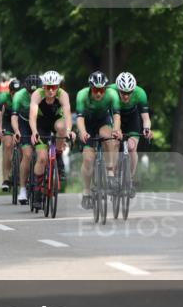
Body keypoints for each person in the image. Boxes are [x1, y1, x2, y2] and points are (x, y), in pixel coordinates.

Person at [75, 71, 122, 210]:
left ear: (105, 89)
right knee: (88, 159)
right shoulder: (82, 95)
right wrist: (83, 132)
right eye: (96, 90)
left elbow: (117, 116)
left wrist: (116, 130)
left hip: (103, 121)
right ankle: (87, 191)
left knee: (108, 137)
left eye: (102, 90)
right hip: (87, 124)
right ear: (91, 88)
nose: (99, 94)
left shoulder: (112, 95)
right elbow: (79, 118)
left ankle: (110, 172)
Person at [28, 70, 74, 205]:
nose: (51, 90)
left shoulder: (63, 95)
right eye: (48, 87)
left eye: (54, 87)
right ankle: (37, 192)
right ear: (43, 86)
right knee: (42, 158)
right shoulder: (37, 94)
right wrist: (34, 131)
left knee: (62, 127)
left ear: (58, 87)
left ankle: (58, 156)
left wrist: (69, 130)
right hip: (41, 124)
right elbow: (32, 116)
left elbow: (67, 115)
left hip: (56, 121)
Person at [109, 71, 152, 197]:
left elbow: (145, 118)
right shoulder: (110, 91)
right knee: (115, 143)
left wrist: (147, 129)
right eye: (123, 92)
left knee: (132, 147)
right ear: (118, 89)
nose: (126, 96)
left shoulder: (140, 93)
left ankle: (130, 180)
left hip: (132, 118)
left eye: (129, 92)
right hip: (115, 117)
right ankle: (114, 176)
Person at [10, 74, 42, 204]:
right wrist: (17, 131)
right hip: (24, 123)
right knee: (27, 155)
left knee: (42, 154)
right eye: (30, 92)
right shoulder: (18, 96)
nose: (32, 94)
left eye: (35, 92)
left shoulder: (44, 94)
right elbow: (14, 117)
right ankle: (22, 189)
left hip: (39, 122)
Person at [0, 78, 21, 192]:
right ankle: (6, 179)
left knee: (24, 148)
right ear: (10, 92)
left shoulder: (24, 98)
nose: (15, 95)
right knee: (8, 144)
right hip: (8, 122)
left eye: (17, 93)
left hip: (21, 122)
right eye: (13, 93)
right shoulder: (3, 97)